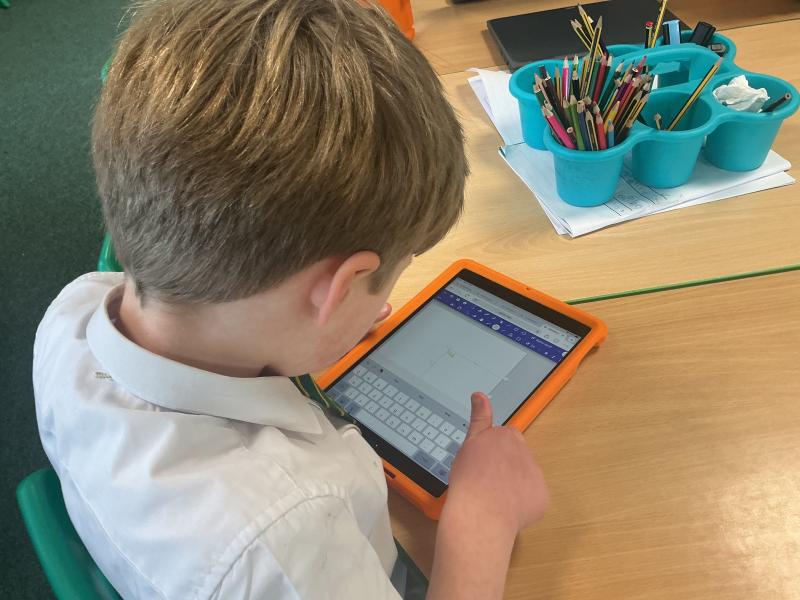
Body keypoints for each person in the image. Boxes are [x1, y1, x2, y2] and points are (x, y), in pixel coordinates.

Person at [33, 0, 548, 597]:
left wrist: (320, 326)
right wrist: (482, 521)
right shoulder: (280, 542)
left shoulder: (73, 310)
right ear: (335, 288)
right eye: (385, 280)